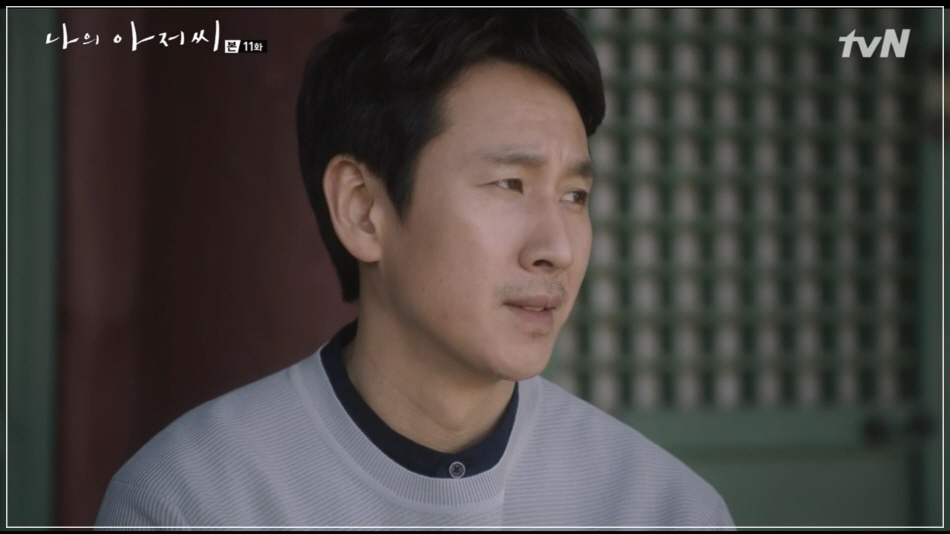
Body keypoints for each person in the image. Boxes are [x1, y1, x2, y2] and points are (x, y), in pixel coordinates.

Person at [96, 9, 734, 528]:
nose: (558, 249)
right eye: (510, 183)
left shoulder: (663, 510)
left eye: (575, 195)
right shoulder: (193, 501)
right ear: (363, 209)